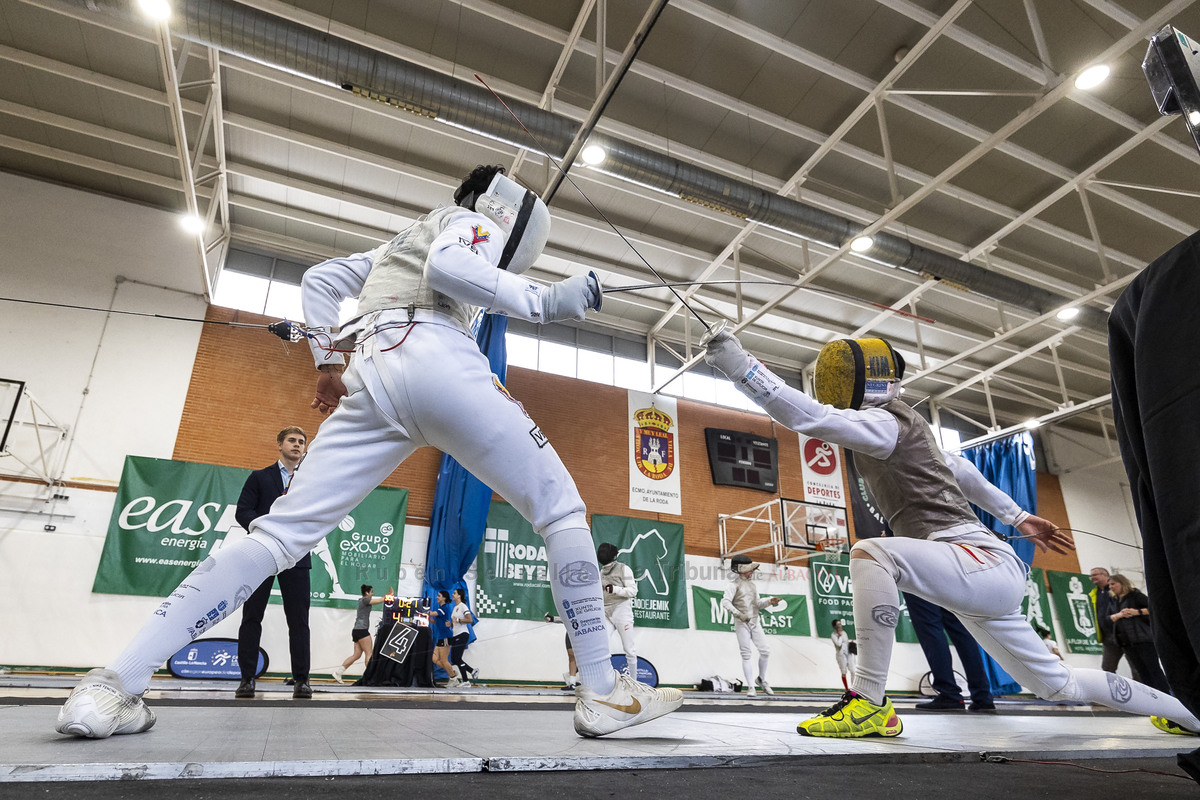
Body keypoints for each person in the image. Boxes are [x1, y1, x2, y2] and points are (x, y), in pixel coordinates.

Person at [55, 164, 682, 740]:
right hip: (438, 357)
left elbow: (321, 281)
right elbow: (448, 271)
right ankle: (603, 690)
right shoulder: (470, 223)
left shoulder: (402, 241)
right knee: (561, 510)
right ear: (509, 215)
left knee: (279, 537)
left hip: (374, 375)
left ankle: (114, 685)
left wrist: (328, 362)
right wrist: (544, 300)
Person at [702, 329, 1200, 738]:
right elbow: (961, 470)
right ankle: (1188, 713)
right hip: (982, 575)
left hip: (975, 559)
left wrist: (740, 365)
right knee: (1057, 685)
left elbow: (810, 416)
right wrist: (1018, 517)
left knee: (872, 553)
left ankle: (871, 702)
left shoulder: (886, 424)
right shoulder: (904, 431)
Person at [233, 426, 313, 700]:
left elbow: (317, 517)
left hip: (297, 556)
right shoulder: (259, 478)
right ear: (279, 444)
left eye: (301, 442)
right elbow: (243, 511)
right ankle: (246, 680)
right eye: (292, 440)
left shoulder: (310, 481)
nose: (297, 445)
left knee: (299, 621)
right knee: (252, 617)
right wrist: (265, 532)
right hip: (262, 553)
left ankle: (302, 681)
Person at [903, 591, 996, 713]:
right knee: (960, 629)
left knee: (929, 627)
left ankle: (949, 693)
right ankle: (983, 696)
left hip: (919, 576)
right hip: (950, 577)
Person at [720, 554, 780, 697]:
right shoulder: (732, 585)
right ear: (741, 569)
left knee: (765, 651)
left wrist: (769, 601)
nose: (752, 572)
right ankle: (751, 687)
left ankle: (761, 679)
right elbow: (725, 602)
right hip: (742, 624)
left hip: (755, 622)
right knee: (746, 654)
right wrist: (738, 614)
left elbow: (757, 603)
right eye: (749, 569)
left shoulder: (753, 585)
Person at [1107, 574, 1171, 694]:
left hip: (1143, 639)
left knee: (1153, 668)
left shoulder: (1135, 595)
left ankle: (1166, 693)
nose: (1111, 587)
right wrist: (1119, 615)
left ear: (1122, 583)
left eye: (1113, 584)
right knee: (1141, 670)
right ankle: (1150, 695)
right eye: (1109, 585)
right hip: (1125, 641)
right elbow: (1108, 617)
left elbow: (1154, 608)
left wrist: (1136, 612)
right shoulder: (1114, 600)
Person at [597, 543, 639, 677]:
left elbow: (633, 591)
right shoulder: (601, 571)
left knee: (629, 649)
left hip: (621, 610)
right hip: (605, 611)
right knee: (601, 646)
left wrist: (615, 589)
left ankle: (634, 682)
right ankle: (604, 678)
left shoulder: (624, 569)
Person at [332, 584, 386, 684]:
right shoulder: (365, 600)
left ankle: (338, 673)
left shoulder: (361, 600)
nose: (372, 593)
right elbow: (378, 601)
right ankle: (370, 677)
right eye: (371, 592)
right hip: (362, 630)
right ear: (367, 593)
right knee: (369, 654)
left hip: (356, 630)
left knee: (356, 655)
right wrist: (388, 596)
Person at [1088, 567, 1133, 678]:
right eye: (1091, 576)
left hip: (1125, 634)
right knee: (1107, 667)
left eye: (1095, 575)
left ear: (1105, 575)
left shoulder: (1117, 590)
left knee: (1137, 666)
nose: (1092, 578)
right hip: (1108, 636)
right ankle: (1113, 693)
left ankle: (1143, 692)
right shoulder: (1095, 593)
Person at [448, 587, 478, 687]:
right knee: (454, 659)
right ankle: (472, 670)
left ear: (459, 595)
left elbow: (469, 620)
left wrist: (458, 620)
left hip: (462, 634)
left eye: (454, 593)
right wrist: (451, 624)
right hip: (456, 634)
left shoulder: (463, 606)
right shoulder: (455, 608)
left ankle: (466, 681)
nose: (452, 594)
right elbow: (456, 623)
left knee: (457, 658)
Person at [430, 590, 455, 687]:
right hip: (441, 637)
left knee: (444, 660)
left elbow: (432, 614)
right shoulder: (440, 609)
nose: (437, 597)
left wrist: (422, 610)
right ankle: (451, 671)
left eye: (439, 596)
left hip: (446, 636)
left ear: (444, 598)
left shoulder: (444, 608)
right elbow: (435, 621)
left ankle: (453, 677)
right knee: (434, 658)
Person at [830, 618, 856, 691]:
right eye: (838, 624)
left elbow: (846, 642)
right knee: (844, 672)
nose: (840, 626)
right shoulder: (833, 635)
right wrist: (840, 636)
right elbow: (838, 644)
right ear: (835, 626)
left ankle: (853, 688)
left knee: (853, 671)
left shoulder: (844, 633)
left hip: (848, 653)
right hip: (841, 655)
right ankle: (847, 689)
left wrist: (851, 644)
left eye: (840, 624)